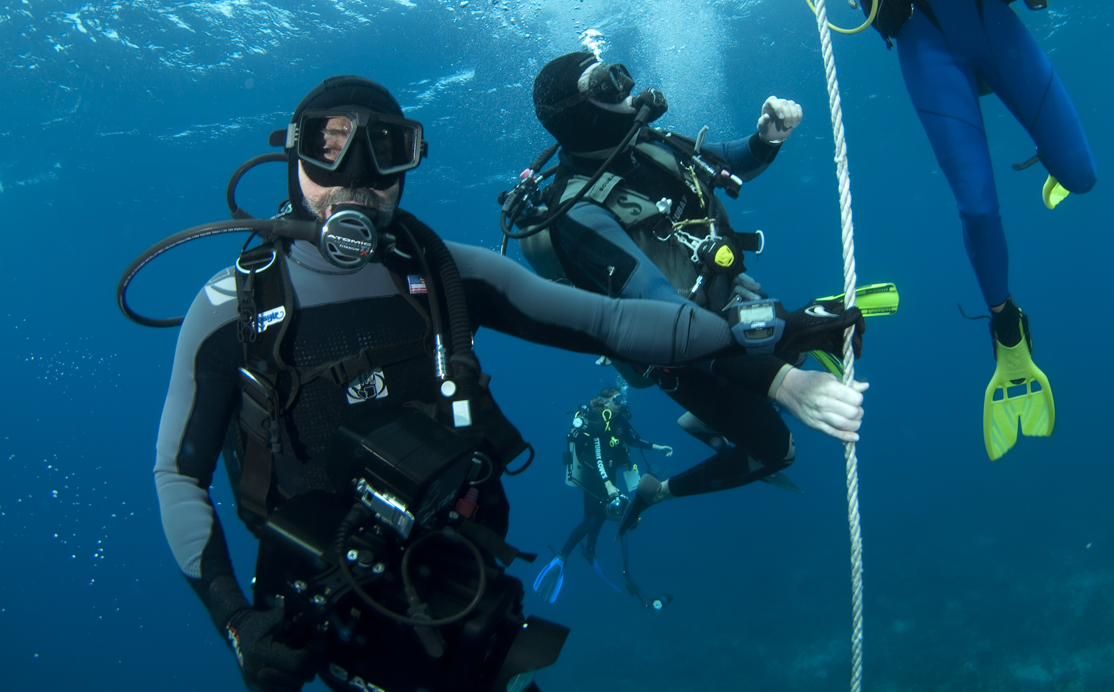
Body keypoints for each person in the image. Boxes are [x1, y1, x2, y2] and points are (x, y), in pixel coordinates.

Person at [150, 75, 867, 692]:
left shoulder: (443, 273)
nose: (356, 180)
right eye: (329, 146)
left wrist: (771, 333)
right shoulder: (230, 308)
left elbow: (615, 323)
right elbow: (178, 475)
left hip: (466, 589)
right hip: (318, 618)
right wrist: (234, 620)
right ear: (292, 155)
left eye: (385, 151)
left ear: (410, 161)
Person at [755, 0, 1097, 458]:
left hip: (993, 23)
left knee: (1082, 177)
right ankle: (1007, 329)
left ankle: (1054, 167)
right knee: (977, 205)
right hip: (925, 44)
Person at [513, 50, 868, 536]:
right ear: (584, 112)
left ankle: (710, 418)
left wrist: (764, 141)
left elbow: (718, 161)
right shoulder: (578, 214)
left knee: (796, 355)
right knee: (778, 451)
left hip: (730, 303)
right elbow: (665, 311)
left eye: (621, 76)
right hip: (682, 353)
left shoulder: (645, 143)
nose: (627, 89)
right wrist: (782, 381)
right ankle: (659, 492)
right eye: (608, 86)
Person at [532, 387, 673, 606]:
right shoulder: (598, 423)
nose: (621, 401)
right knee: (590, 520)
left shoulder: (618, 420)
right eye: (617, 398)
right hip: (594, 478)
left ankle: (590, 550)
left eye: (621, 397)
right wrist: (608, 486)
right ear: (606, 402)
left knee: (602, 515)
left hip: (610, 475)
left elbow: (634, 440)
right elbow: (597, 457)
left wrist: (658, 447)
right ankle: (562, 556)